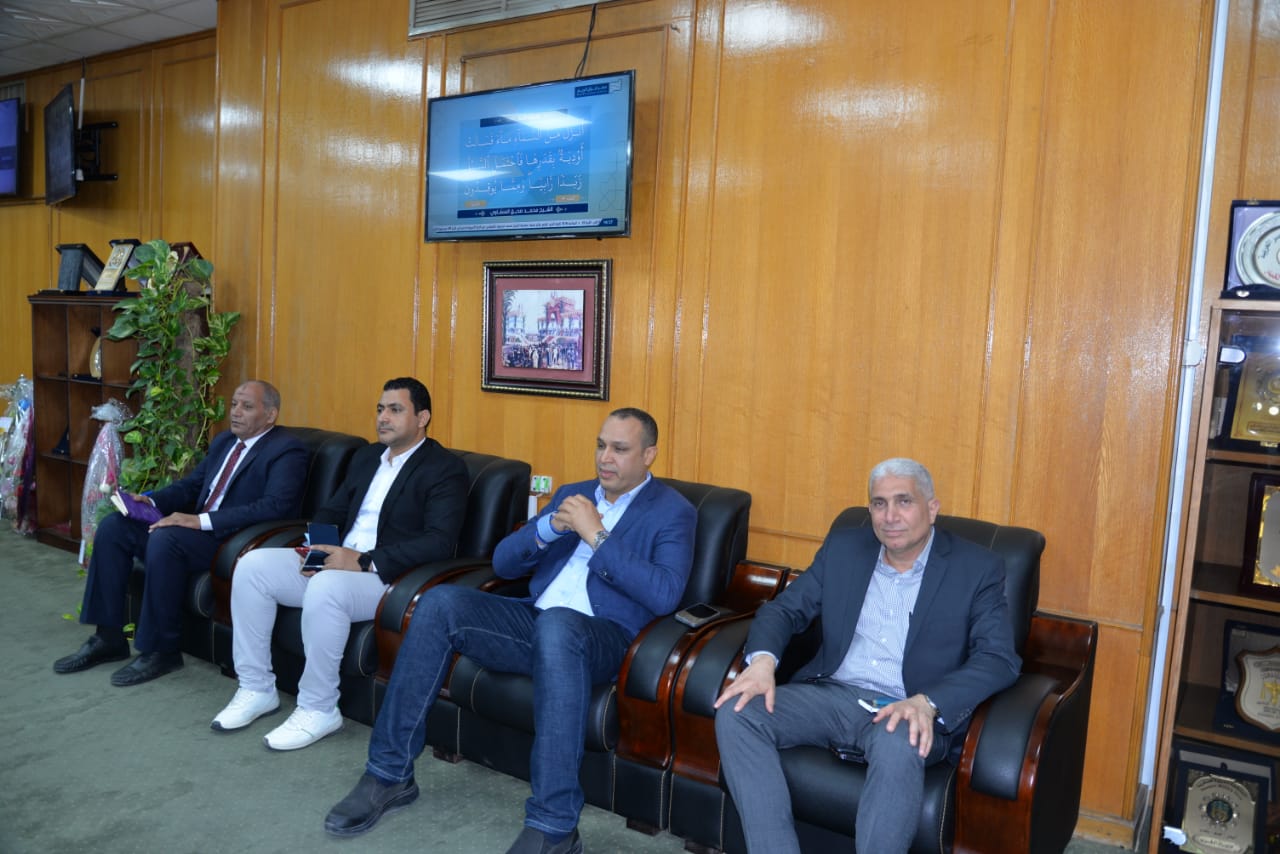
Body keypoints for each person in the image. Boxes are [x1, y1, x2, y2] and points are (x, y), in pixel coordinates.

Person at [323, 407, 697, 854]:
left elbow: (664, 594)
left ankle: (554, 825)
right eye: (601, 445)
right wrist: (548, 528)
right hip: (536, 621)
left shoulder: (673, 512)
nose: (605, 458)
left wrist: (596, 534)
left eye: (620, 449)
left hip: (606, 637)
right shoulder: (574, 494)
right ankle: (388, 774)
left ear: (649, 454)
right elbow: (503, 563)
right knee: (439, 603)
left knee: (559, 625)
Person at [713, 458, 1021, 854]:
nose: (890, 516)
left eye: (904, 501)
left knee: (899, 740)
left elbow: (998, 658)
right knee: (739, 711)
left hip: (907, 707)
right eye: (879, 504)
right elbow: (783, 611)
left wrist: (928, 702)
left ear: (931, 509)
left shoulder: (976, 568)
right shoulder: (845, 548)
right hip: (832, 695)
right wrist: (762, 663)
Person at [210, 377, 468, 751]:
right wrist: (318, 550)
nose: (383, 417)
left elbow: (439, 542)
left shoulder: (444, 468)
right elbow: (331, 511)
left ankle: (318, 708)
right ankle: (256, 687)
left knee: (326, 586)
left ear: (422, 417)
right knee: (253, 566)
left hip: (387, 577)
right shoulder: (366, 457)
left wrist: (363, 561)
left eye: (395, 410)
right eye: (380, 409)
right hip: (336, 562)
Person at [54, 380, 308, 687]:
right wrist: (151, 501)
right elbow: (192, 486)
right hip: (198, 531)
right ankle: (108, 637)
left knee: (167, 538)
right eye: (234, 405)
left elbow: (275, 507)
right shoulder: (225, 442)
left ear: (270, 415)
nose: (236, 412)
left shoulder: (287, 450)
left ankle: (162, 651)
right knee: (114, 527)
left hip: (232, 541)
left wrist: (200, 521)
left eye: (247, 406)